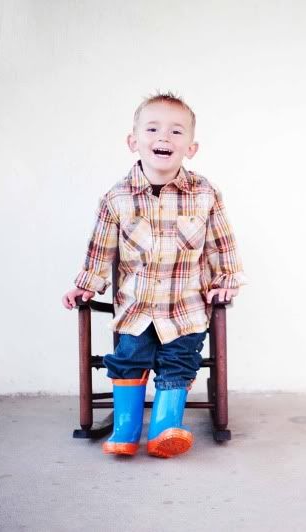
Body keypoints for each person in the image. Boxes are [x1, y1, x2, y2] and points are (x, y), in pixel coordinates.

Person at [61, 91, 247, 458]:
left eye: (177, 132)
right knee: (129, 357)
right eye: (153, 128)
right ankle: (126, 427)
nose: (164, 137)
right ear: (134, 142)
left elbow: (221, 244)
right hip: (136, 307)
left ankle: (164, 428)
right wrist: (85, 286)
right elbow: (101, 250)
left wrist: (225, 282)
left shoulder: (205, 194)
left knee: (179, 360)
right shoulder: (117, 198)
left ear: (191, 148)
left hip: (186, 308)